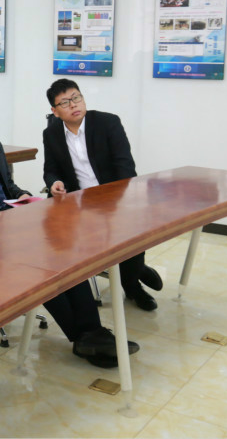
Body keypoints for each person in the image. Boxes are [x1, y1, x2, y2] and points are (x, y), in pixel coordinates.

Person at [0, 80, 139, 368]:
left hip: (8, 222)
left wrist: (22, 196)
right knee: (40, 268)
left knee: (65, 253)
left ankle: (92, 332)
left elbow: (7, 186)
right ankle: (83, 337)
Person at [43, 78, 162, 311]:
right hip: (77, 204)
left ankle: (133, 283)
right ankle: (134, 272)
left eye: (76, 97)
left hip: (114, 197)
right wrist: (54, 182)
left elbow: (125, 166)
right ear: (55, 111)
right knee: (58, 237)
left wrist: (113, 201)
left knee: (132, 233)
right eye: (65, 102)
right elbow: (50, 169)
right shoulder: (52, 133)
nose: (73, 105)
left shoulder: (108, 123)